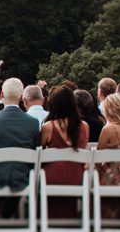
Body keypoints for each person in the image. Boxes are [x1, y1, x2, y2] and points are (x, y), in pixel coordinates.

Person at [0, 78, 41, 218]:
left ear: (2, 95)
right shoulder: (33, 123)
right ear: (21, 97)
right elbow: (36, 150)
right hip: (23, 176)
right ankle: (6, 213)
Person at [39, 85, 90, 219]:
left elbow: (40, 153)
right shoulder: (85, 126)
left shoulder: (48, 127)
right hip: (77, 177)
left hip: (51, 177)